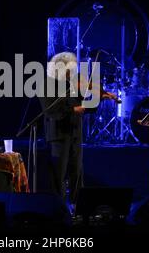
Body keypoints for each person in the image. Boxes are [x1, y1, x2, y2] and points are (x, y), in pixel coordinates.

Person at [39, 52, 117, 215]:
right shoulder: (47, 83)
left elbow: (86, 104)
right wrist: (72, 109)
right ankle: (58, 207)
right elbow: (49, 110)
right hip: (58, 133)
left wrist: (100, 96)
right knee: (58, 173)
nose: (72, 73)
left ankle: (76, 204)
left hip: (74, 131)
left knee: (77, 170)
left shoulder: (72, 84)